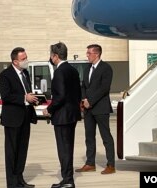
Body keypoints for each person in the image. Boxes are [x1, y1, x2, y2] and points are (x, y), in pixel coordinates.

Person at [0, 47, 39, 188]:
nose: (26, 61)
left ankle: (20, 180)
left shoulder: (25, 73)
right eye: (23, 59)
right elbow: (6, 96)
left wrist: (33, 98)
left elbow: (27, 92)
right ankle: (12, 183)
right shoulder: (5, 75)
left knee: (22, 150)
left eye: (26, 57)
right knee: (11, 152)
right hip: (12, 119)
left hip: (25, 118)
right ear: (15, 61)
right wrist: (24, 97)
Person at [43, 42, 81, 188]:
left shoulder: (59, 72)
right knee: (68, 147)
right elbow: (77, 93)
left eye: (51, 55)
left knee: (63, 149)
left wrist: (49, 109)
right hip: (72, 114)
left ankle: (67, 180)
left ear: (55, 56)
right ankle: (68, 178)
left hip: (62, 116)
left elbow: (60, 96)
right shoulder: (73, 70)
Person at [75, 44, 116, 174]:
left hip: (101, 108)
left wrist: (90, 101)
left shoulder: (106, 68)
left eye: (89, 53)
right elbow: (83, 86)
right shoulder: (87, 68)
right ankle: (90, 163)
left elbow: (104, 88)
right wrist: (83, 100)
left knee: (106, 137)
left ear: (96, 54)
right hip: (88, 109)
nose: (87, 55)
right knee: (89, 136)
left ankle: (111, 165)